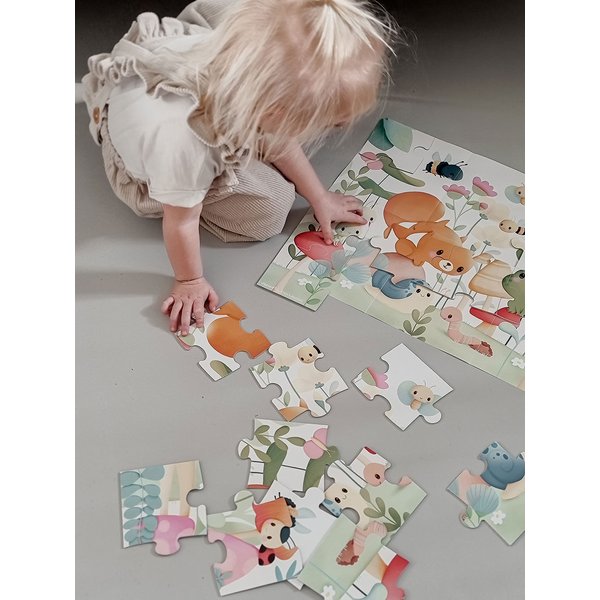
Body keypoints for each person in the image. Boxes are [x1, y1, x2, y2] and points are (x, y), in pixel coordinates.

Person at [82, 0, 398, 335]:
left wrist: (319, 196)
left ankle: (264, 132)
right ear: (274, 111)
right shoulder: (185, 146)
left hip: (170, 73)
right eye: (333, 123)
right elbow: (181, 221)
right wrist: (189, 280)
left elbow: (277, 135)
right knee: (270, 210)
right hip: (140, 153)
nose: (337, 128)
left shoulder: (248, 61)